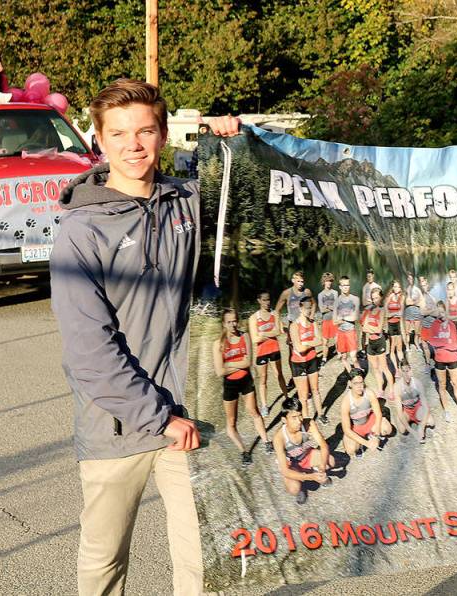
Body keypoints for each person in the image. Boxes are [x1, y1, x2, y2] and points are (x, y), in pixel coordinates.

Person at [49, 79, 240, 595]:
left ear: (162, 135)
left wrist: (227, 142)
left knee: (204, 560)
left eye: (145, 131)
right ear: (100, 140)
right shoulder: (81, 231)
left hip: (189, 413)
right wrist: (157, 417)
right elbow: (90, 349)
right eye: (119, 133)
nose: (134, 145)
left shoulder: (185, 202)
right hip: (118, 422)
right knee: (104, 563)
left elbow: (237, 194)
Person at [213, 309, 272, 465]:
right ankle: (244, 451)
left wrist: (228, 364)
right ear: (224, 324)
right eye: (229, 322)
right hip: (230, 385)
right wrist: (237, 365)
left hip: (246, 380)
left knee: (254, 411)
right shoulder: (218, 344)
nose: (233, 325)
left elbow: (248, 363)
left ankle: (266, 441)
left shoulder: (244, 336)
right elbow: (219, 372)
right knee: (231, 422)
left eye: (235, 321)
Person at [273, 396, 337, 505]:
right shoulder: (279, 438)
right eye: (294, 417)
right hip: (292, 465)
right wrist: (310, 477)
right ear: (284, 420)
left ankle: (316, 472)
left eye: (300, 415)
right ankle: (301, 487)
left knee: (330, 461)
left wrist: (321, 468)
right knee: (294, 488)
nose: (299, 421)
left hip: (307, 456)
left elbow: (323, 445)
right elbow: (285, 471)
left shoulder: (308, 423)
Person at [247, 291, 289, 418]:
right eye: (264, 300)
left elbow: (278, 331)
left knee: (279, 374)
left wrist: (262, 334)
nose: (267, 302)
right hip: (261, 352)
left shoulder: (274, 314)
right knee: (263, 379)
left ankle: (287, 398)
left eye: (269, 299)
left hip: (274, 349)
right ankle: (264, 406)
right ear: (259, 301)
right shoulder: (254, 317)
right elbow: (254, 339)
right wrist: (269, 333)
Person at [289, 296, 327, 424]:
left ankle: (321, 414)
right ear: (300, 308)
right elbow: (299, 348)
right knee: (303, 396)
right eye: (306, 308)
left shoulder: (313, 323)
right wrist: (311, 342)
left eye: (310, 308)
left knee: (315, 390)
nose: (308, 310)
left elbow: (320, 340)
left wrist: (306, 343)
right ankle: (306, 419)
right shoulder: (294, 326)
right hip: (298, 363)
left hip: (311, 360)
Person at [339, 369, 392, 458]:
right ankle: (361, 443)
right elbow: (347, 430)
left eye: (361, 382)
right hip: (356, 427)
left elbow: (378, 414)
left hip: (370, 421)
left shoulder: (369, 393)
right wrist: (367, 444)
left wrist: (376, 435)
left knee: (387, 429)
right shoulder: (346, 402)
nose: (359, 386)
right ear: (350, 383)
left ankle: (372, 435)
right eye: (356, 383)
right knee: (350, 450)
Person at [427, 301, 457, 422]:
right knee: (442, 385)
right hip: (440, 359)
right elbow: (432, 341)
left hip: (452, 357)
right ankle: (446, 410)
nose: (440, 314)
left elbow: (455, 345)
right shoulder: (434, 324)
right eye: (438, 312)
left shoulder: (452, 324)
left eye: (442, 311)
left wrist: (442, 343)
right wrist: (444, 343)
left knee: (455, 383)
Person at [387, 363, 432, 442]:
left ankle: (422, 426)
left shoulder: (417, 383)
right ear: (400, 372)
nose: (406, 374)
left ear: (410, 371)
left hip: (417, 408)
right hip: (406, 411)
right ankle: (411, 425)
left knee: (431, 422)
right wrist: (413, 432)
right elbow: (399, 412)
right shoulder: (397, 387)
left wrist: (422, 427)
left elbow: (426, 406)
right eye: (403, 371)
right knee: (402, 430)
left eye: (407, 371)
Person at [361, 287, 394, 395]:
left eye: (376, 298)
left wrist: (370, 328)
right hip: (371, 343)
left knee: (384, 367)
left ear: (381, 297)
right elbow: (363, 328)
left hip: (380, 342)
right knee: (375, 368)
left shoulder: (382, 310)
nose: (375, 300)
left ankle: (392, 389)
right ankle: (381, 389)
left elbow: (379, 329)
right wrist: (371, 329)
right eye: (373, 298)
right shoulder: (369, 310)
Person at [332, 275, 361, 375]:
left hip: (350, 332)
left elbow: (355, 317)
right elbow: (334, 321)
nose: (345, 287)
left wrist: (342, 318)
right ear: (339, 286)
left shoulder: (355, 299)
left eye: (347, 285)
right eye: (343, 285)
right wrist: (347, 317)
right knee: (344, 357)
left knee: (353, 357)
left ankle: (359, 375)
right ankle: (351, 375)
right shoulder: (336, 301)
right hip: (341, 332)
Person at [317, 272, 338, 363]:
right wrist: (331, 307)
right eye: (326, 281)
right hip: (325, 320)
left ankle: (340, 354)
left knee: (337, 338)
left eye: (330, 281)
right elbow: (321, 309)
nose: (328, 283)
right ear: (323, 282)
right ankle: (324, 358)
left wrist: (328, 307)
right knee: (325, 341)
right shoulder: (320, 295)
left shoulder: (335, 293)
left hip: (334, 319)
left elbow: (337, 307)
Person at [385, 279, 406, 367]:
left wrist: (391, 314)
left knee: (399, 348)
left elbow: (401, 313)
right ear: (392, 287)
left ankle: (402, 367)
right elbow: (385, 313)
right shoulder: (389, 297)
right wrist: (394, 314)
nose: (396, 288)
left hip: (398, 324)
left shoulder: (402, 297)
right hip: (390, 325)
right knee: (392, 348)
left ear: (401, 288)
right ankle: (396, 369)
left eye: (398, 286)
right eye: (395, 286)